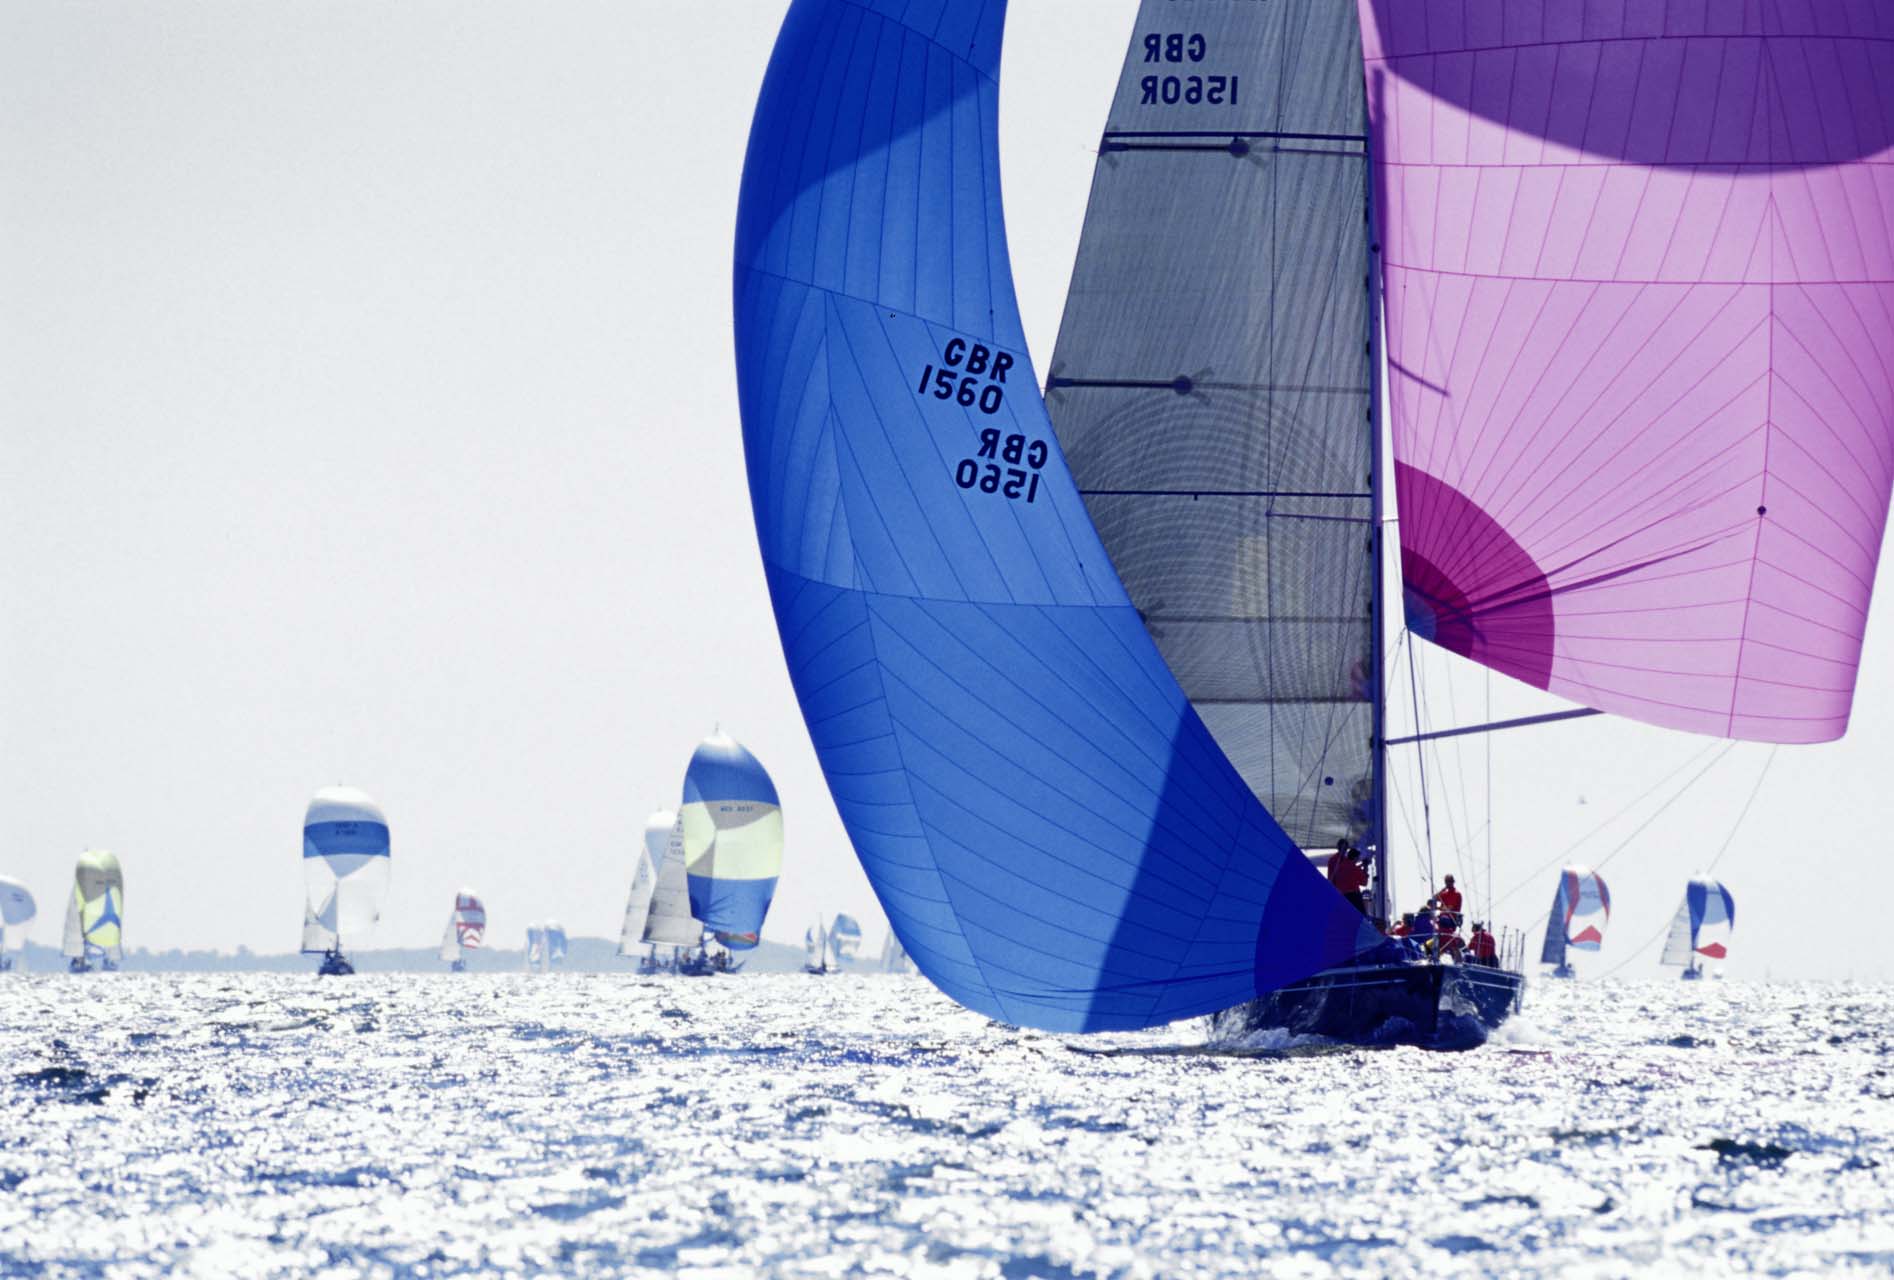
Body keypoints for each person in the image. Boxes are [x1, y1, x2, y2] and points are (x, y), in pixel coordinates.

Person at [1326, 839, 1370, 915]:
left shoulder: (1340, 862)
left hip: (1341, 894)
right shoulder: (1341, 862)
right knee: (1361, 917)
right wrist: (1364, 869)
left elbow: (1341, 874)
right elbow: (1364, 882)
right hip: (1352, 895)